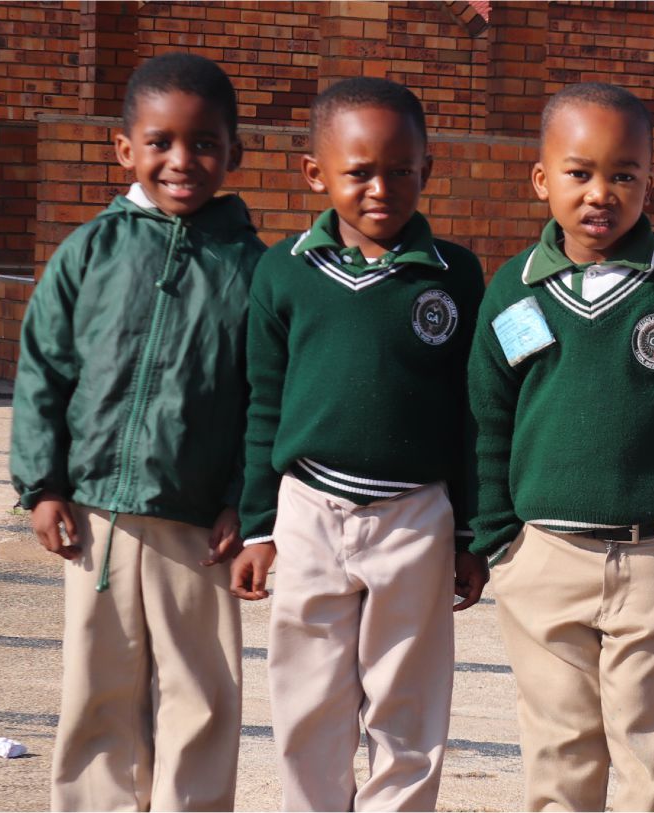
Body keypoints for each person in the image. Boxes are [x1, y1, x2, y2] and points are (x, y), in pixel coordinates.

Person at [467, 81, 654, 812]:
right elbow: (487, 419)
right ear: (542, 179)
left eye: (624, 174)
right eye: (580, 172)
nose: (601, 193)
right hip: (545, 559)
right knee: (559, 755)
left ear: (649, 181)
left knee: (652, 760)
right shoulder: (513, 291)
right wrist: (499, 537)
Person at [9, 52, 264, 811]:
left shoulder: (253, 269)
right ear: (125, 149)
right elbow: (44, 369)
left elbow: (265, 399)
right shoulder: (90, 250)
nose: (182, 160)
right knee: (99, 686)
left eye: (204, 143)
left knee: (202, 690)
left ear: (234, 152)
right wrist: (43, 485)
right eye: (160, 142)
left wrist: (245, 501)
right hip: (98, 517)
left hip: (200, 525)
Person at [229, 77, 485, 811]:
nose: (381, 187)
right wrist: (258, 526)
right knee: (308, 700)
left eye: (401, 170)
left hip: (416, 517)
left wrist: (469, 534)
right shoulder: (283, 271)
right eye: (360, 171)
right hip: (309, 510)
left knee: (408, 704)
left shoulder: (455, 274)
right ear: (316, 173)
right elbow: (263, 403)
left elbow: (471, 414)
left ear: (426, 168)